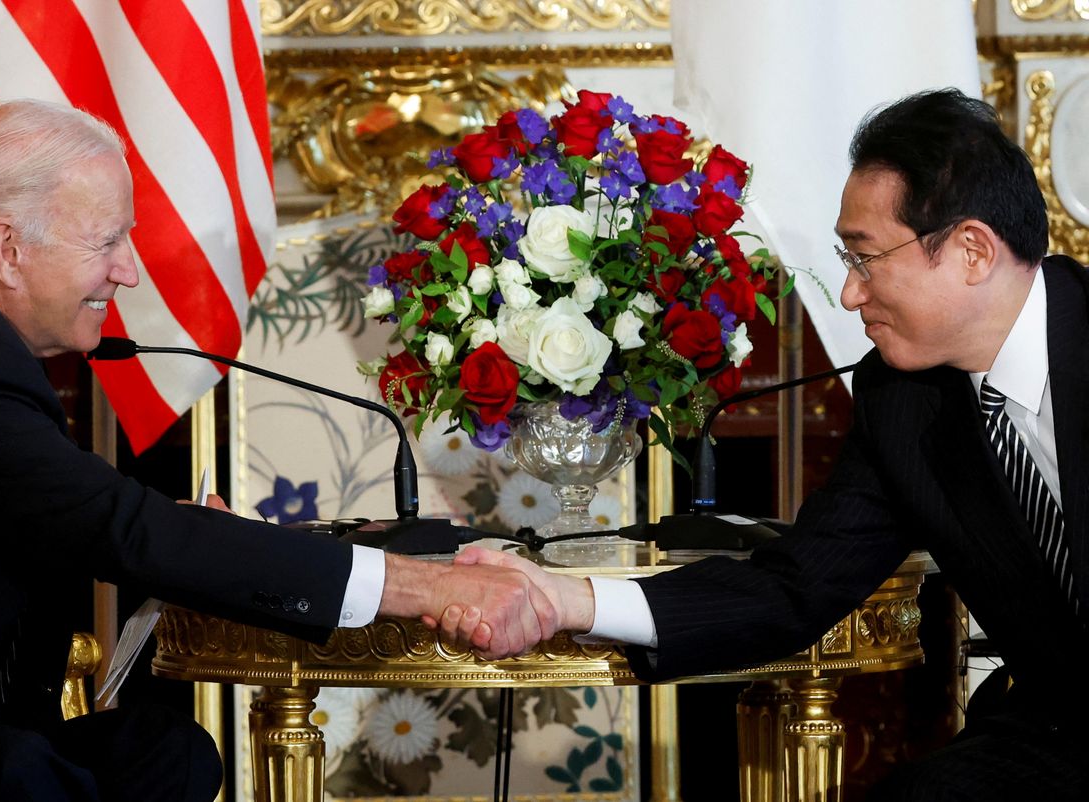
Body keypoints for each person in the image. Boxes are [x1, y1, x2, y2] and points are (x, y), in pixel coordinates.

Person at [0, 98, 557, 801]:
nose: (129, 272)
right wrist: (432, 586)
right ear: (8, 249)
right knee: (25, 774)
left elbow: (43, 514)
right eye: (107, 241)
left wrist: (188, 532)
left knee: (166, 753)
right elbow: (117, 528)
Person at [445, 88, 1089, 800]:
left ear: (971, 250)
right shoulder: (901, 399)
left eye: (866, 259)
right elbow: (795, 586)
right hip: (1051, 742)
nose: (848, 294)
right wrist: (572, 601)